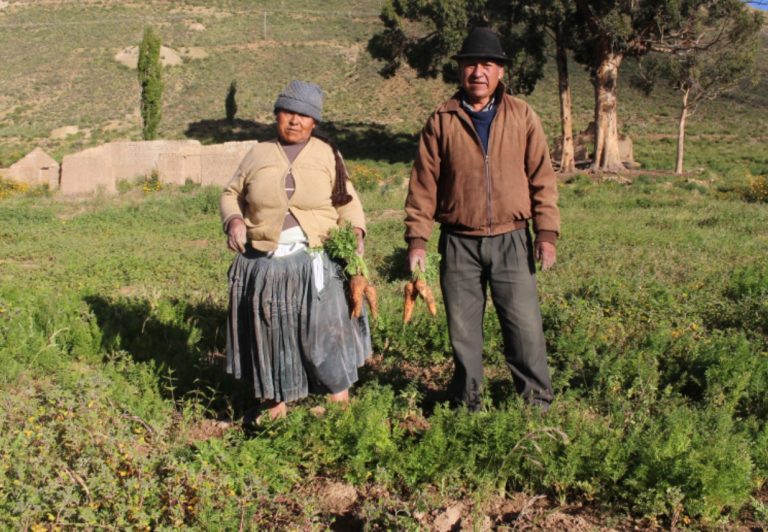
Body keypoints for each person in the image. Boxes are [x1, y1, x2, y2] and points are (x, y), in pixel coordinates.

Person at [404, 27, 560, 412]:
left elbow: (542, 178)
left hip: (512, 239)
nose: (478, 72)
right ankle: (467, 405)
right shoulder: (441, 120)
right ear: (461, 70)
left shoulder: (522, 115)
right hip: (458, 242)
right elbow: (423, 185)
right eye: (471, 64)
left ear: (500, 71)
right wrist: (418, 241)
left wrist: (546, 233)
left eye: (487, 64)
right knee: (463, 333)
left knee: (525, 329)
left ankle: (536, 405)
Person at [220, 80, 371, 421]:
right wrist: (234, 220)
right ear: (277, 115)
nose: (294, 120)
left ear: (314, 121)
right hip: (266, 260)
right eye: (288, 112)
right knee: (271, 333)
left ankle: (338, 404)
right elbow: (231, 194)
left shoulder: (327, 154)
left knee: (325, 331)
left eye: (303, 115)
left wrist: (356, 232)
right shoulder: (258, 154)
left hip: (315, 258)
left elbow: (347, 200)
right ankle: (276, 408)